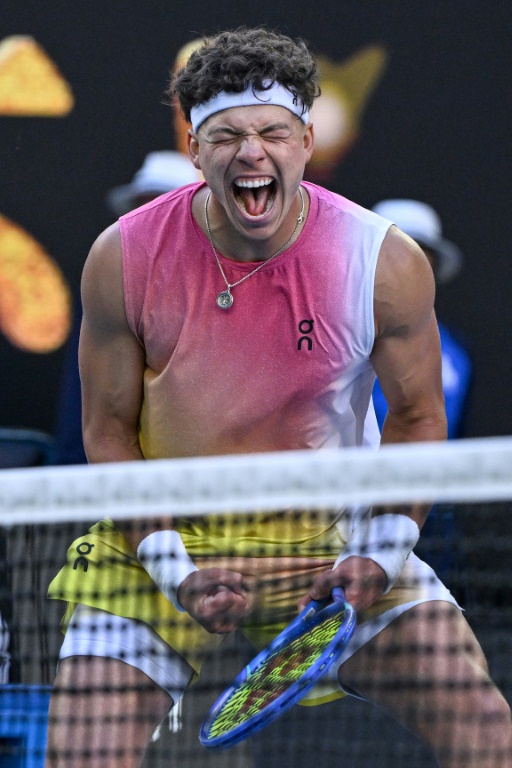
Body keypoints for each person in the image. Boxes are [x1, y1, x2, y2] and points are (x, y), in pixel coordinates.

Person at [45, 27, 512, 768]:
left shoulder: (382, 259)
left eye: (272, 132)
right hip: (158, 552)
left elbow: (420, 420)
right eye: (226, 134)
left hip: (337, 547)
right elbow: (108, 433)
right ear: (196, 151)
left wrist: (382, 557)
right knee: (78, 757)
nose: (251, 152)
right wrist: (178, 572)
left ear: (305, 143)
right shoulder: (123, 258)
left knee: (487, 736)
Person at [52, 151, 199, 465]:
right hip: (120, 491)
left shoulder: (234, 288)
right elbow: (81, 412)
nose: (153, 220)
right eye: (143, 208)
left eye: (166, 208)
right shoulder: (108, 286)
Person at [371, 199, 473, 440]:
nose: (408, 271)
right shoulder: (331, 338)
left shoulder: (456, 349)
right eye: (395, 258)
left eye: (420, 260)